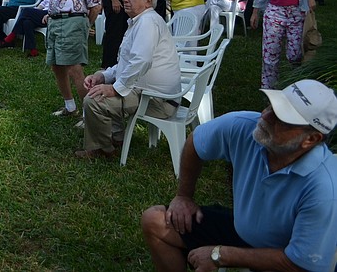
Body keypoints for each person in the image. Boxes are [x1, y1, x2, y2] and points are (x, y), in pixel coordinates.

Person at [141, 79, 337, 272]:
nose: (266, 116)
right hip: (243, 230)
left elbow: (299, 264)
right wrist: (184, 195)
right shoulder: (245, 126)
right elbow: (196, 141)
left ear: (311, 139)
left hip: (286, 255)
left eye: (281, 118)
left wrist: (220, 255)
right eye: (271, 106)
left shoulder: (325, 187)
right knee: (155, 221)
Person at [77, 0, 180, 158]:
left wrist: (115, 88)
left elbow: (141, 61)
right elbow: (127, 63)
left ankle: (103, 149)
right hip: (150, 93)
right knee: (102, 89)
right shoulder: (140, 21)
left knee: (94, 100)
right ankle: (116, 137)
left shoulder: (148, 22)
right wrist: (102, 76)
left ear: (148, 1)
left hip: (158, 101)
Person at [45, 0, 102, 120]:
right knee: (56, 65)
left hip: (73, 22)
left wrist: (85, 25)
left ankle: (88, 114)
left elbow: (95, 5)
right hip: (55, 22)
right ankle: (70, 106)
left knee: (73, 67)